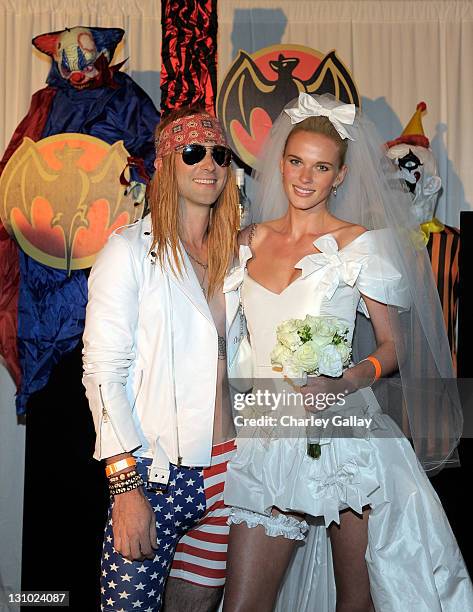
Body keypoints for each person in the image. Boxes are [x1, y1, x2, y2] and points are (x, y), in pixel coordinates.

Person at [221, 93, 473, 611]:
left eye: (321, 166)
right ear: (281, 163)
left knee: (355, 604)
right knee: (244, 604)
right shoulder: (248, 240)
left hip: (347, 436)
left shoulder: (362, 245)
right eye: (296, 161)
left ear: (339, 176)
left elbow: (393, 347)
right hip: (266, 435)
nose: (305, 177)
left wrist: (348, 380)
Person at [82, 107, 240, 612]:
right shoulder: (128, 252)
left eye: (219, 153)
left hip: (229, 469)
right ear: (167, 163)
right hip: (154, 475)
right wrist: (124, 488)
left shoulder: (236, 257)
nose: (209, 164)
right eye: (193, 152)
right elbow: (103, 374)